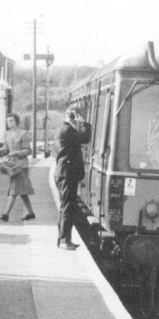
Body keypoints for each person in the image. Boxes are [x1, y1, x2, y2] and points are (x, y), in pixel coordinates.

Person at [53, 107, 92, 250]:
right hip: (67, 174)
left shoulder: (61, 129)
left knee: (65, 207)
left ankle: (63, 239)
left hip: (64, 173)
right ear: (75, 117)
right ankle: (64, 241)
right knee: (67, 207)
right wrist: (84, 122)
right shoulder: (68, 130)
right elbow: (85, 138)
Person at [0, 113, 35, 222]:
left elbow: (28, 150)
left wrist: (16, 153)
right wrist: (3, 150)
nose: (9, 123)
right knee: (21, 190)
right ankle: (31, 212)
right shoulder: (6, 134)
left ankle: (6, 214)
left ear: (16, 122)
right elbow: (6, 147)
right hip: (11, 165)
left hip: (22, 165)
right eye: (8, 121)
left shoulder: (23, 133)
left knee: (14, 189)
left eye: (11, 121)